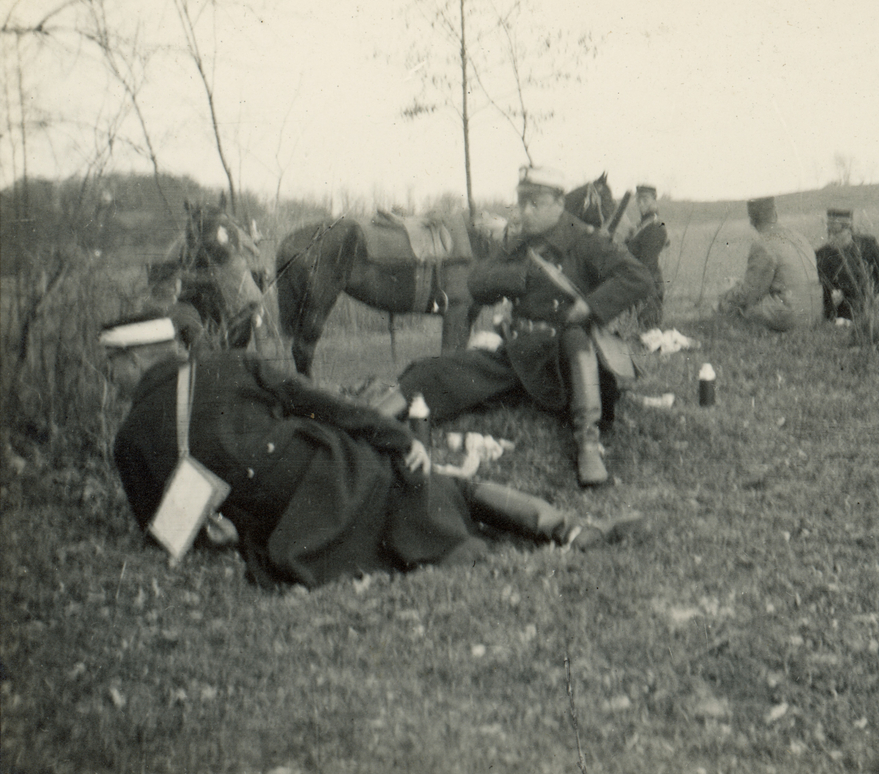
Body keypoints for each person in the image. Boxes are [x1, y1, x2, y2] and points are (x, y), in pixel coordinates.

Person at [103, 312, 632, 590]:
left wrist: (215, 541)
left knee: (418, 513)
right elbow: (322, 405)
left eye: (113, 366)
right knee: (446, 487)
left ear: (131, 362)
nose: (113, 376)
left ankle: (517, 541)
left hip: (290, 534)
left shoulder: (128, 441)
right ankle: (566, 530)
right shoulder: (229, 365)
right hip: (337, 473)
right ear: (172, 349)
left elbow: (163, 531)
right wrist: (399, 439)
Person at [397, 166, 655, 487]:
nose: (525, 212)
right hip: (520, 355)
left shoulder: (587, 240)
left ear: (559, 203)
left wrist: (589, 306)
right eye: (521, 203)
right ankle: (375, 417)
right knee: (433, 373)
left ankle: (588, 444)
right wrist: (519, 278)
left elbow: (637, 277)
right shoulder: (519, 244)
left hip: (566, 364)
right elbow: (476, 282)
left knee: (576, 341)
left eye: (535, 203)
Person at [717, 196, 812, 332]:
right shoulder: (799, 237)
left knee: (741, 309)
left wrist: (727, 295)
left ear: (752, 220)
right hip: (813, 313)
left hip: (790, 315)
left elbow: (751, 293)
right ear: (775, 213)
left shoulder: (763, 244)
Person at [815, 209, 879, 321]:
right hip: (846, 314)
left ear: (849, 230)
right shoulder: (821, 255)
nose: (832, 236)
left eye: (837, 232)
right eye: (830, 231)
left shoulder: (867, 246)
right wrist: (831, 302)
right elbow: (818, 295)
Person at [623, 184, 669, 329]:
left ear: (655, 201)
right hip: (638, 282)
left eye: (645, 199)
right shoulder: (641, 225)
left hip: (649, 288)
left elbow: (646, 264)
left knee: (646, 329)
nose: (641, 203)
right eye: (639, 200)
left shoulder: (656, 226)